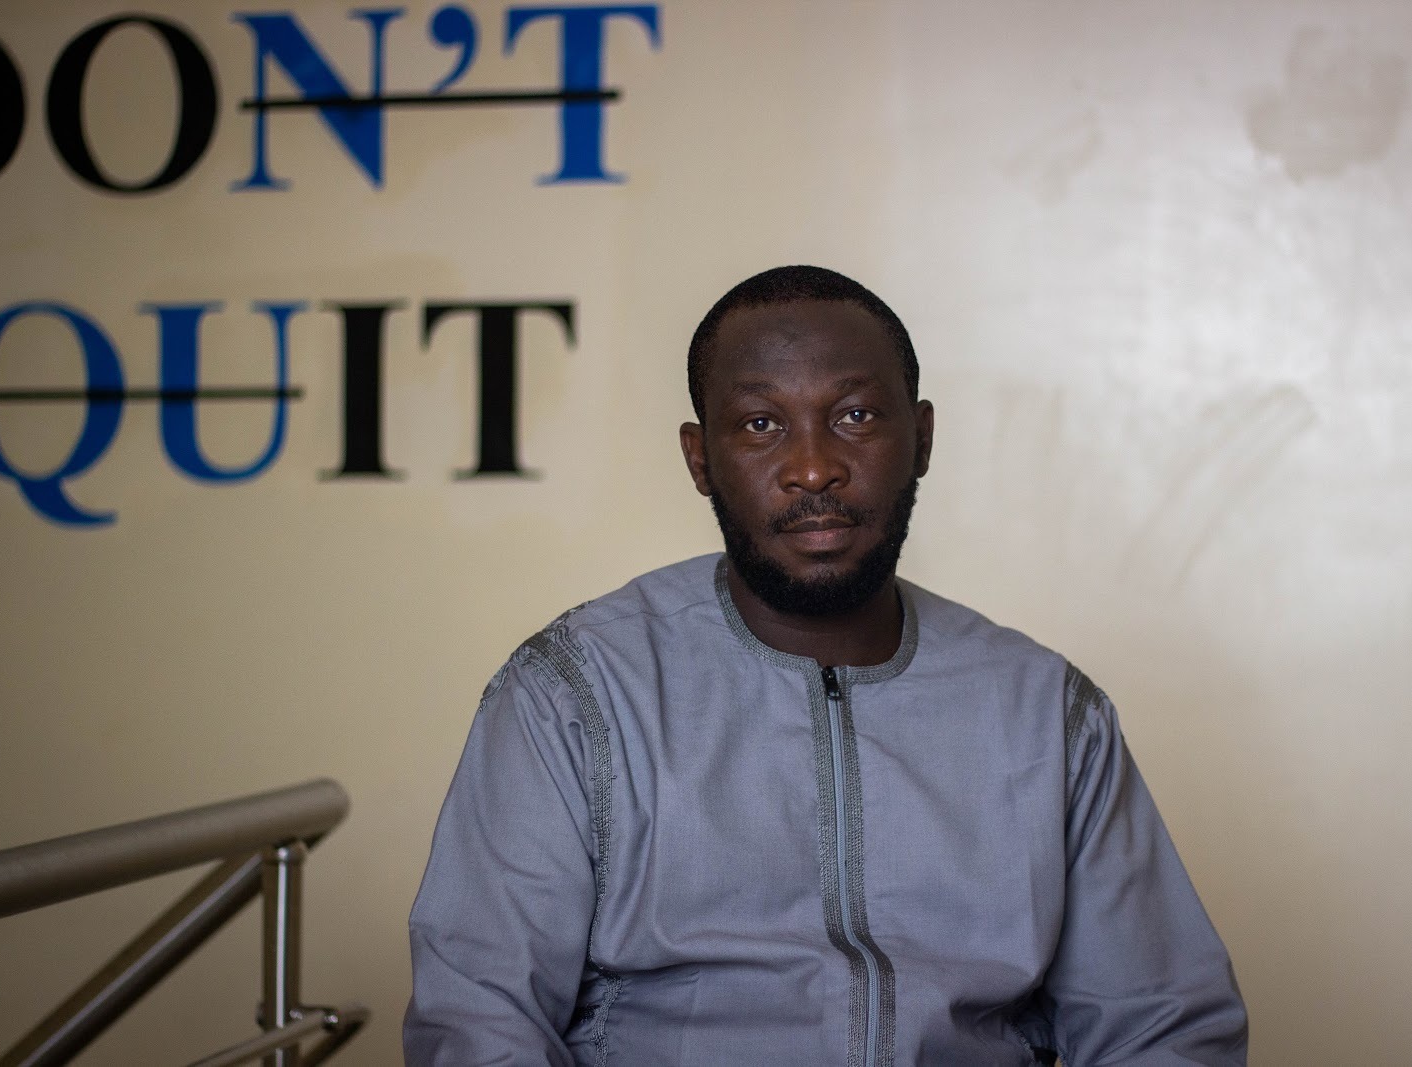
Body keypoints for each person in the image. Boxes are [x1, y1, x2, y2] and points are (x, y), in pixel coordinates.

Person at [404, 266, 1248, 1065]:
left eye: (855, 415)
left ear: (921, 438)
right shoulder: (575, 691)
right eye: (761, 425)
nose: (813, 468)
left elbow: (1162, 1028)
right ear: (700, 460)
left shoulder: (1045, 711)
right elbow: (480, 1023)